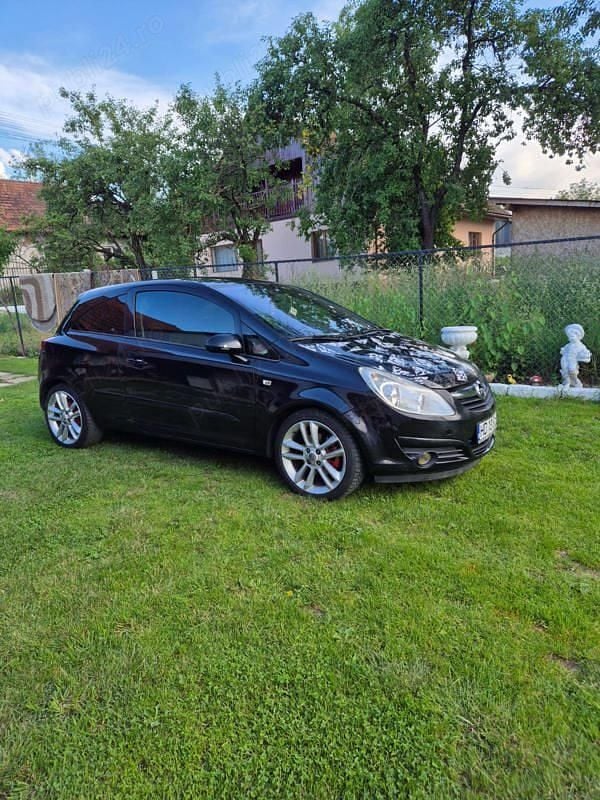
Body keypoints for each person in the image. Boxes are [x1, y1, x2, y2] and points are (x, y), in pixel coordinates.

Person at [560, 324, 591, 388]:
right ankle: (567, 382)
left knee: (572, 370)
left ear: (578, 336)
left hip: (573, 360)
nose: (571, 338)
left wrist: (585, 354)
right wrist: (563, 350)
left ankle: (575, 381)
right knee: (565, 370)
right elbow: (564, 350)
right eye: (569, 336)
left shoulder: (580, 345)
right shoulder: (568, 345)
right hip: (565, 359)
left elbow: (585, 352)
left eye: (572, 336)